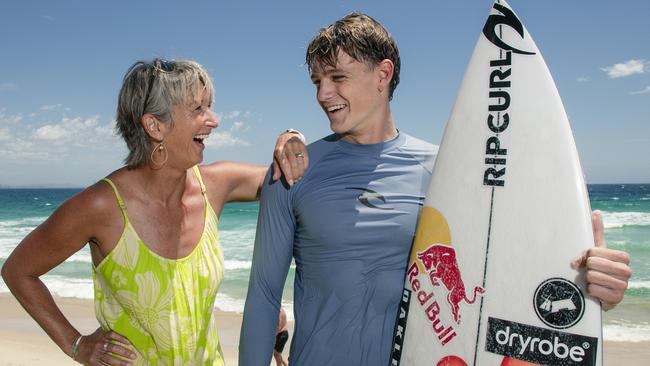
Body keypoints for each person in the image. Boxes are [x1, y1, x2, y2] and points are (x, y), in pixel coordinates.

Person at [238, 13, 632, 365]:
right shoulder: (293, 171)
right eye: (317, 81)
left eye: (337, 77)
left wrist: (591, 290)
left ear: (383, 74)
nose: (323, 94)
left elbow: (501, 277)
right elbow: (264, 296)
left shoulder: (445, 173)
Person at [1, 58, 306, 365]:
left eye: (209, 107)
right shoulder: (102, 206)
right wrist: (76, 345)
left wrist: (291, 138)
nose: (213, 120)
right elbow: (18, 271)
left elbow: (297, 174)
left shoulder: (214, 185)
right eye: (197, 109)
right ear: (154, 125)